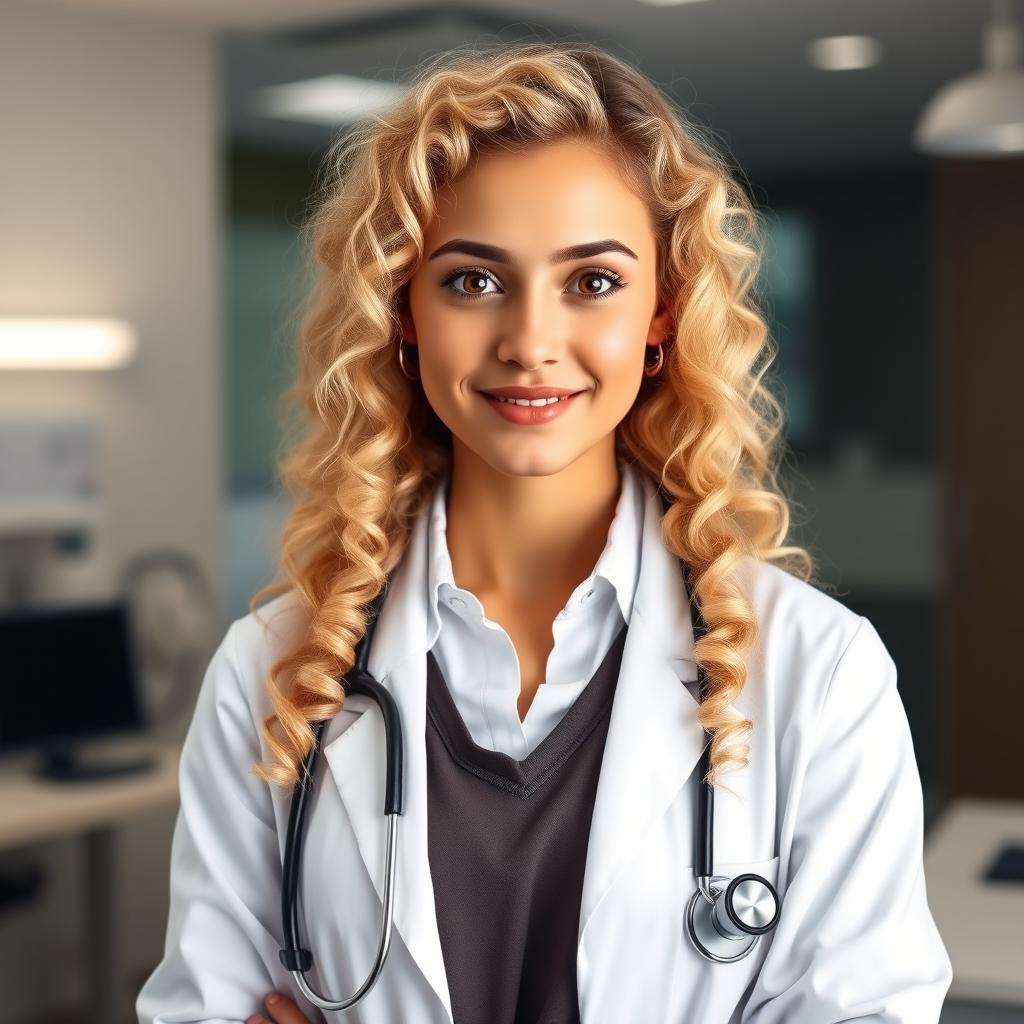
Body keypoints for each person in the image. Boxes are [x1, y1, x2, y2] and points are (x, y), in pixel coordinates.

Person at [136, 41, 953, 1024]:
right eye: (472, 281)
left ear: (662, 311)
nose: (529, 341)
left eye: (593, 282)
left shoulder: (820, 677)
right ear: (403, 313)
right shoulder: (269, 674)